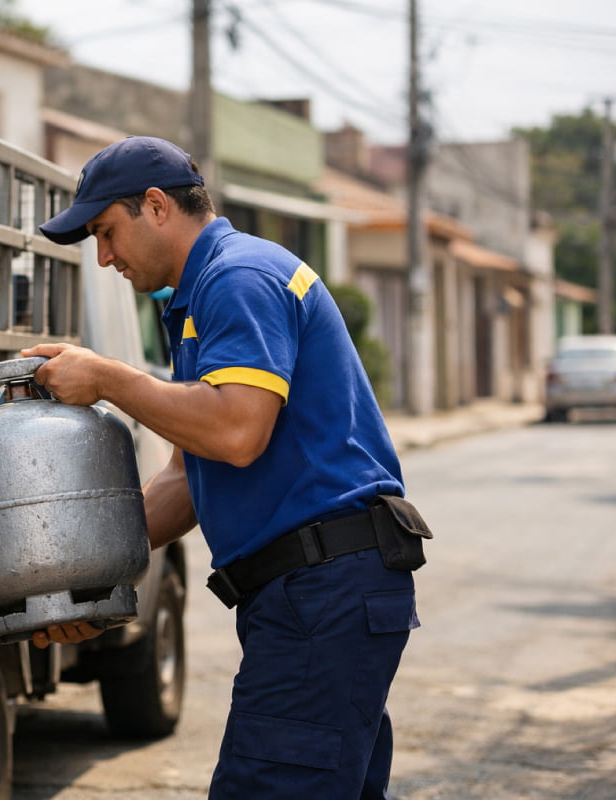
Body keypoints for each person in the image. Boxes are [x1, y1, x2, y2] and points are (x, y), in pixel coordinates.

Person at [22, 136, 425, 800]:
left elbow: (237, 431)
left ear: (155, 206)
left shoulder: (237, 278)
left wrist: (107, 378)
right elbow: (187, 478)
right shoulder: (199, 299)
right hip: (316, 597)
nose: (104, 256)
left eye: (106, 232)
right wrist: (85, 581)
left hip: (322, 594)